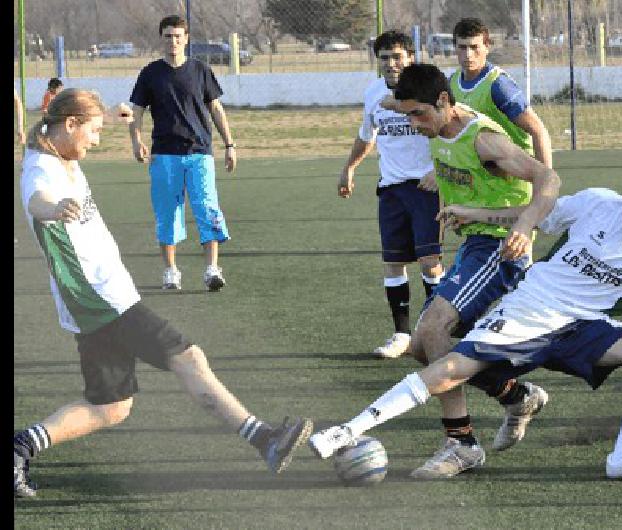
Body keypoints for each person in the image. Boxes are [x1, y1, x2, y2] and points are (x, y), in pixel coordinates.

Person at [310, 166, 622, 481]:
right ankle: (344, 432)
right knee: (447, 368)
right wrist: (479, 214)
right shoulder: (599, 203)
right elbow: (540, 213)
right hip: (529, 308)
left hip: (582, 324)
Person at [14, 89, 312, 498]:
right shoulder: (41, 169)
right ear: (69, 125)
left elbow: (74, 135)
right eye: (93, 131)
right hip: (100, 298)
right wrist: (54, 208)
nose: (97, 140)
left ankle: (20, 446)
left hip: (91, 301)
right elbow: (36, 200)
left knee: (111, 407)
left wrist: (114, 110)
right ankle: (264, 439)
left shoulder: (58, 153)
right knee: (187, 357)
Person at [370, 63, 560, 478]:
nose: (414, 124)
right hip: (475, 245)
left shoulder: (484, 141)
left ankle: (461, 443)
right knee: (422, 346)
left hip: (499, 247)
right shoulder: (436, 125)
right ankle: (516, 395)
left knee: (434, 328)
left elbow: (549, 179)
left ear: (443, 102)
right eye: (407, 116)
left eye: (419, 114)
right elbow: (393, 100)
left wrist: (524, 226)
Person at [338, 31, 444, 359]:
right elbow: (366, 136)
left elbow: (451, 131)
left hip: (426, 187)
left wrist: (438, 171)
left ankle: (436, 329)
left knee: (429, 262)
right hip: (392, 189)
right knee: (394, 264)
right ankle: (401, 335)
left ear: (410, 58)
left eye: (397, 56)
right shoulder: (373, 93)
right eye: (385, 57)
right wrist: (349, 168)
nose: (391, 63)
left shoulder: (429, 89)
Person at [129, 15, 236, 292]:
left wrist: (229, 145)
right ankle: (171, 272)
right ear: (161, 38)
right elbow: (136, 111)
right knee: (167, 213)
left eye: (178, 36)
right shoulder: (150, 73)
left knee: (207, 208)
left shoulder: (201, 70)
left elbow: (216, 109)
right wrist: (136, 141)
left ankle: (212, 269)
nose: (173, 41)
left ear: (186, 39)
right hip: (164, 154)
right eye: (168, 36)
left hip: (200, 153)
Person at [450, 18, 552, 169]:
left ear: (486, 47)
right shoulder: (452, 82)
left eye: (474, 47)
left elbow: (537, 129)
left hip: (514, 176)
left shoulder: (498, 85)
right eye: (462, 47)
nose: (468, 54)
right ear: (455, 48)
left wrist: (545, 178)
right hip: (481, 177)